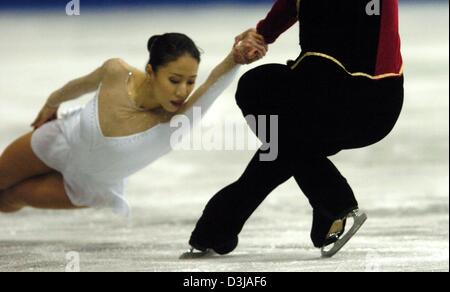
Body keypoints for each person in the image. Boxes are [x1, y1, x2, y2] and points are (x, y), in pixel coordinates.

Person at [185, 0, 404, 257]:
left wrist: (262, 35)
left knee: (258, 89)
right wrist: (262, 35)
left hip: (352, 101)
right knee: (289, 142)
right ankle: (219, 228)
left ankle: (333, 201)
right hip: (363, 106)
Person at [0, 32, 267, 216]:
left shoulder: (174, 122)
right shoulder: (117, 71)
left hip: (87, 186)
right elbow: (79, 86)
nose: (182, 91)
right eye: (174, 80)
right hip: (59, 139)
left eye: (190, 81)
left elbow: (213, 84)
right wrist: (52, 103)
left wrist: (237, 56)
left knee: (8, 198)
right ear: (151, 71)